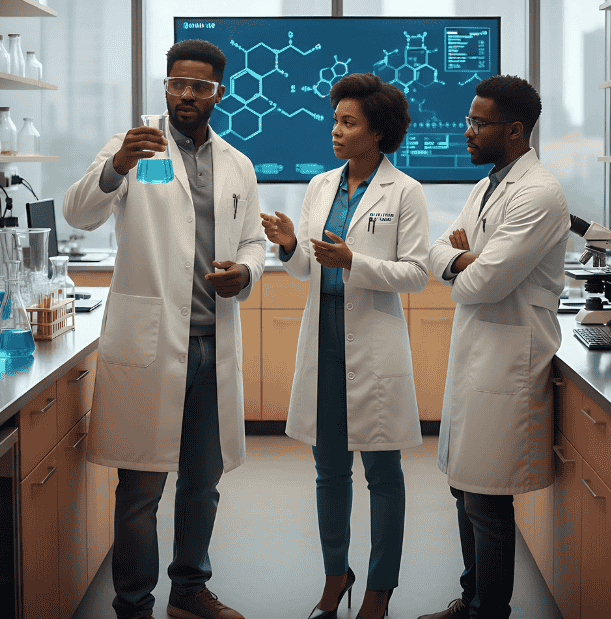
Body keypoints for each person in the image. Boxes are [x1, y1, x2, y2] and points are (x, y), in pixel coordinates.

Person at [63, 39, 265, 619]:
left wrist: (248, 268)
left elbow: (251, 237)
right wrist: (119, 164)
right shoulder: (136, 147)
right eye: (176, 84)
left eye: (199, 86)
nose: (185, 95)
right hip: (150, 348)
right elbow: (79, 212)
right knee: (141, 490)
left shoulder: (236, 164)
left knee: (204, 482)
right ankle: (133, 604)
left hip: (210, 345)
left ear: (218, 93)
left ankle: (189, 592)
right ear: (166, 86)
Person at [260, 72, 429, 619]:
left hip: (374, 341)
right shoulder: (319, 186)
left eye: (347, 122)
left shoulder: (405, 192)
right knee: (328, 470)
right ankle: (337, 575)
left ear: (378, 132)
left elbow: (415, 274)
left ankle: (380, 587)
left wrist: (355, 261)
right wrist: (289, 247)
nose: (335, 130)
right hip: (323, 338)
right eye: (335, 119)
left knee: (383, 475)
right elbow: (308, 267)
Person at [420, 75, 569, 619]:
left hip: (510, 362)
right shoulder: (489, 186)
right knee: (465, 490)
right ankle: (473, 598)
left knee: (486, 500)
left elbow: (486, 285)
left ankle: (490, 611)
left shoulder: (540, 193)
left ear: (512, 130)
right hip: (478, 354)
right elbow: (437, 249)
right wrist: (464, 259)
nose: (466, 131)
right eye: (468, 120)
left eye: (477, 123)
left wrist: (466, 263)